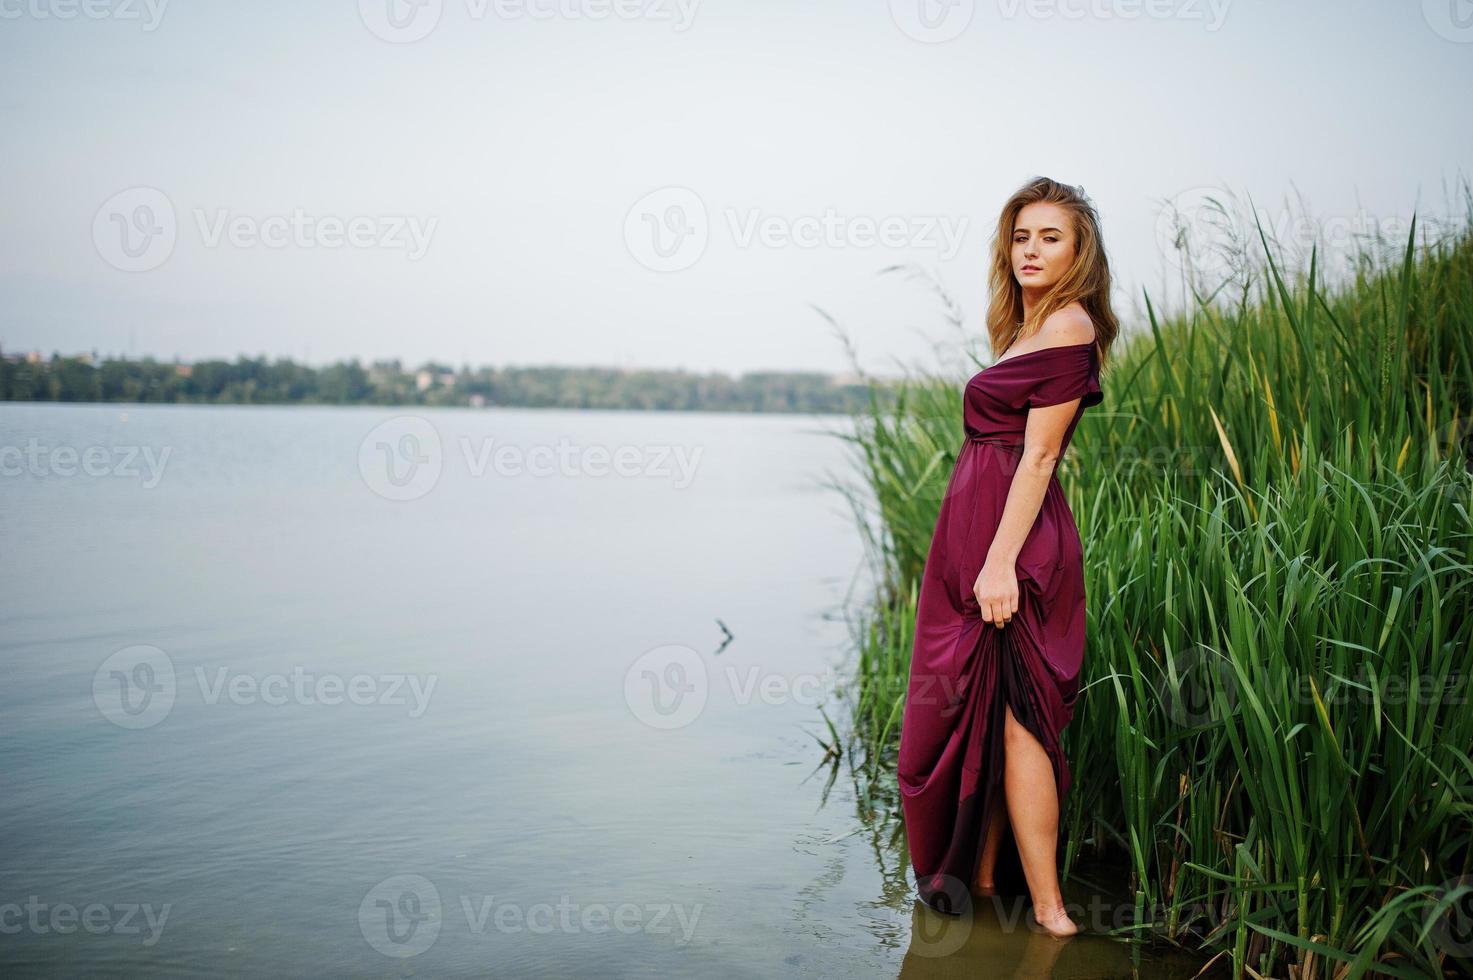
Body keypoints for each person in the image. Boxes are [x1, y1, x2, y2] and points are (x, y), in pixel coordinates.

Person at [896, 176, 1116, 939]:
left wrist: (996, 563)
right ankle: (984, 877)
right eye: (1021, 236)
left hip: (1013, 547)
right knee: (980, 711)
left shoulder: (1068, 326)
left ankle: (1051, 913)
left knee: (1021, 717)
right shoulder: (1024, 328)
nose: (1030, 249)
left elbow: (1040, 456)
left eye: (1049, 237)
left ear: (1079, 250)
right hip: (977, 536)